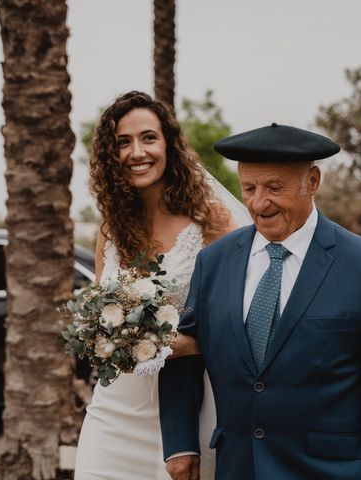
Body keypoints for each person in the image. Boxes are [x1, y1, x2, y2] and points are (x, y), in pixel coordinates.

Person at [159, 123, 361, 479]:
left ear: (313, 181)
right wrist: (180, 443)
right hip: (239, 468)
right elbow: (183, 353)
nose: (258, 203)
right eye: (250, 188)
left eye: (274, 187)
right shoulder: (214, 261)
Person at [74, 91, 235, 480]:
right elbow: (100, 311)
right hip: (113, 409)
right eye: (123, 142)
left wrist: (170, 344)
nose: (136, 152)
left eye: (149, 137)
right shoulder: (111, 227)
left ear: (169, 145)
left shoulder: (211, 221)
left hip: (185, 412)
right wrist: (103, 334)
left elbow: (235, 324)